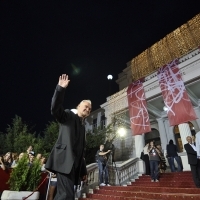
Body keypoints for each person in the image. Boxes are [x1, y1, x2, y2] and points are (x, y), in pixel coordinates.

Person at [45, 74, 91, 200]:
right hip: (64, 162)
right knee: (66, 196)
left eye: (89, 109)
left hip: (74, 167)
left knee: (64, 195)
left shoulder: (83, 127)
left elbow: (80, 151)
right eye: (85, 106)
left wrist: (83, 172)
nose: (87, 109)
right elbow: (55, 109)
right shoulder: (68, 115)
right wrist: (60, 89)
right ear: (78, 106)